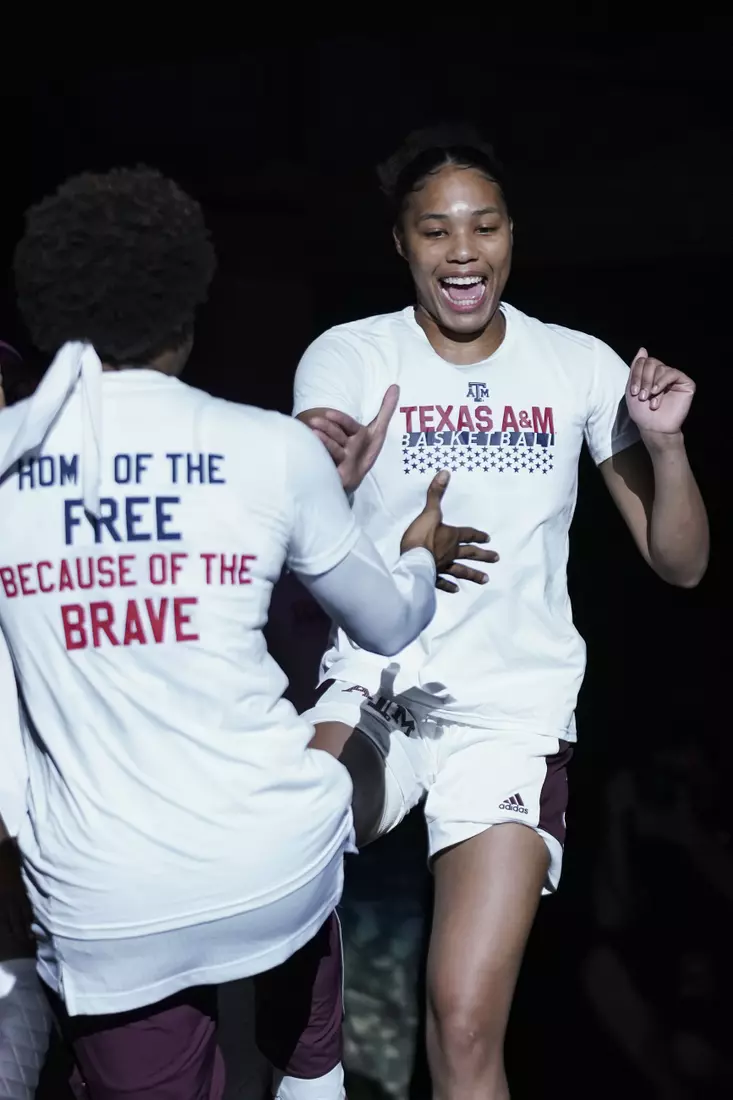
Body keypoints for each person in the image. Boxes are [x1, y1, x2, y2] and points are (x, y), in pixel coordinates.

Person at [0, 165, 492, 1100]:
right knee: (310, 1059)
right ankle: (311, 1082)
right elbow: (389, 624)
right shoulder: (269, 449)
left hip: (109, 899)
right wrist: (416, 551)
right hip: (272, 864)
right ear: (190, 303)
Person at [289, 126, 709, 1099]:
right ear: (403, 243)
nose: (462, 251)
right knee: (266, 879)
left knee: (465, 1023)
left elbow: (680, 563)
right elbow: (297, 513)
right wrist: (325, 483)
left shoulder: (577, 366)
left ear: (513, 234)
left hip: (510, 714)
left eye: (482, 226)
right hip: (377, 685)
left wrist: (668, 446)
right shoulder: (350, 354)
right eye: (435, 231)